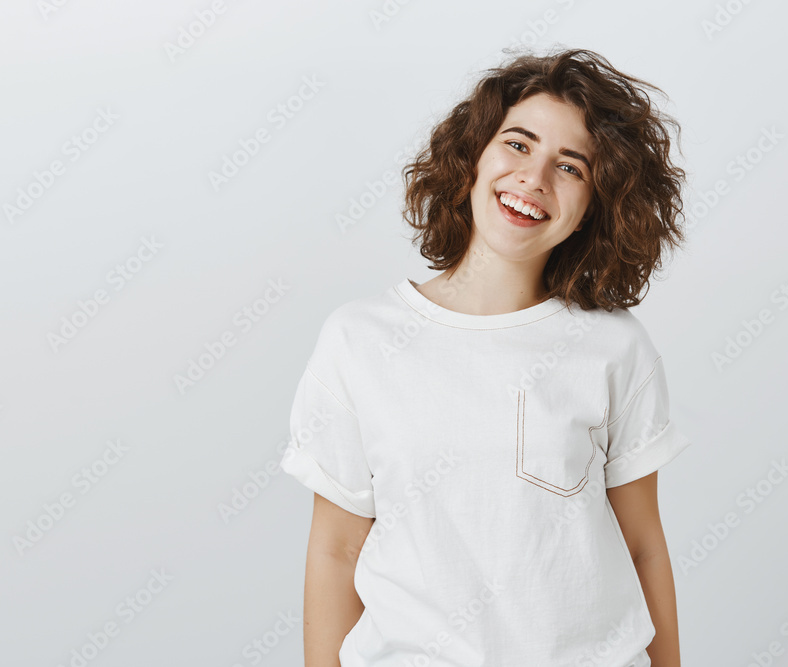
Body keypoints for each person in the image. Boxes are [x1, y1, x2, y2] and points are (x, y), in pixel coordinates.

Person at [280, 46, 691, 667]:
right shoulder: (358, 341)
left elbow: (642, 546)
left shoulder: (614, 347)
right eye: (519, 145)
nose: (534, 179)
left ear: (592, 210)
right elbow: (336, 549)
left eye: (571, 167)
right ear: (473, 156)